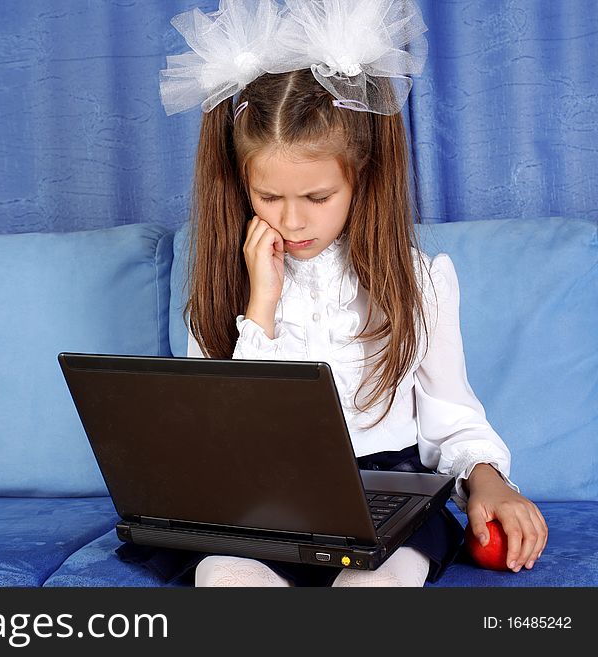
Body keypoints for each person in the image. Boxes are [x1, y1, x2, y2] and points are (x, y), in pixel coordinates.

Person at [117, 0, 548, 587]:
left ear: (363, 178)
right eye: (268, 198)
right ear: (241, 184)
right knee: (224, 578)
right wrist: (260, 306)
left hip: (385, 489)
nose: (293, 222)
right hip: (262, 496)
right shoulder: (224, 287)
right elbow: (230, 440)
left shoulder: (423, 281)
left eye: (317, 198)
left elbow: (453, 416)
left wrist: (490, 479)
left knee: (375, 587)